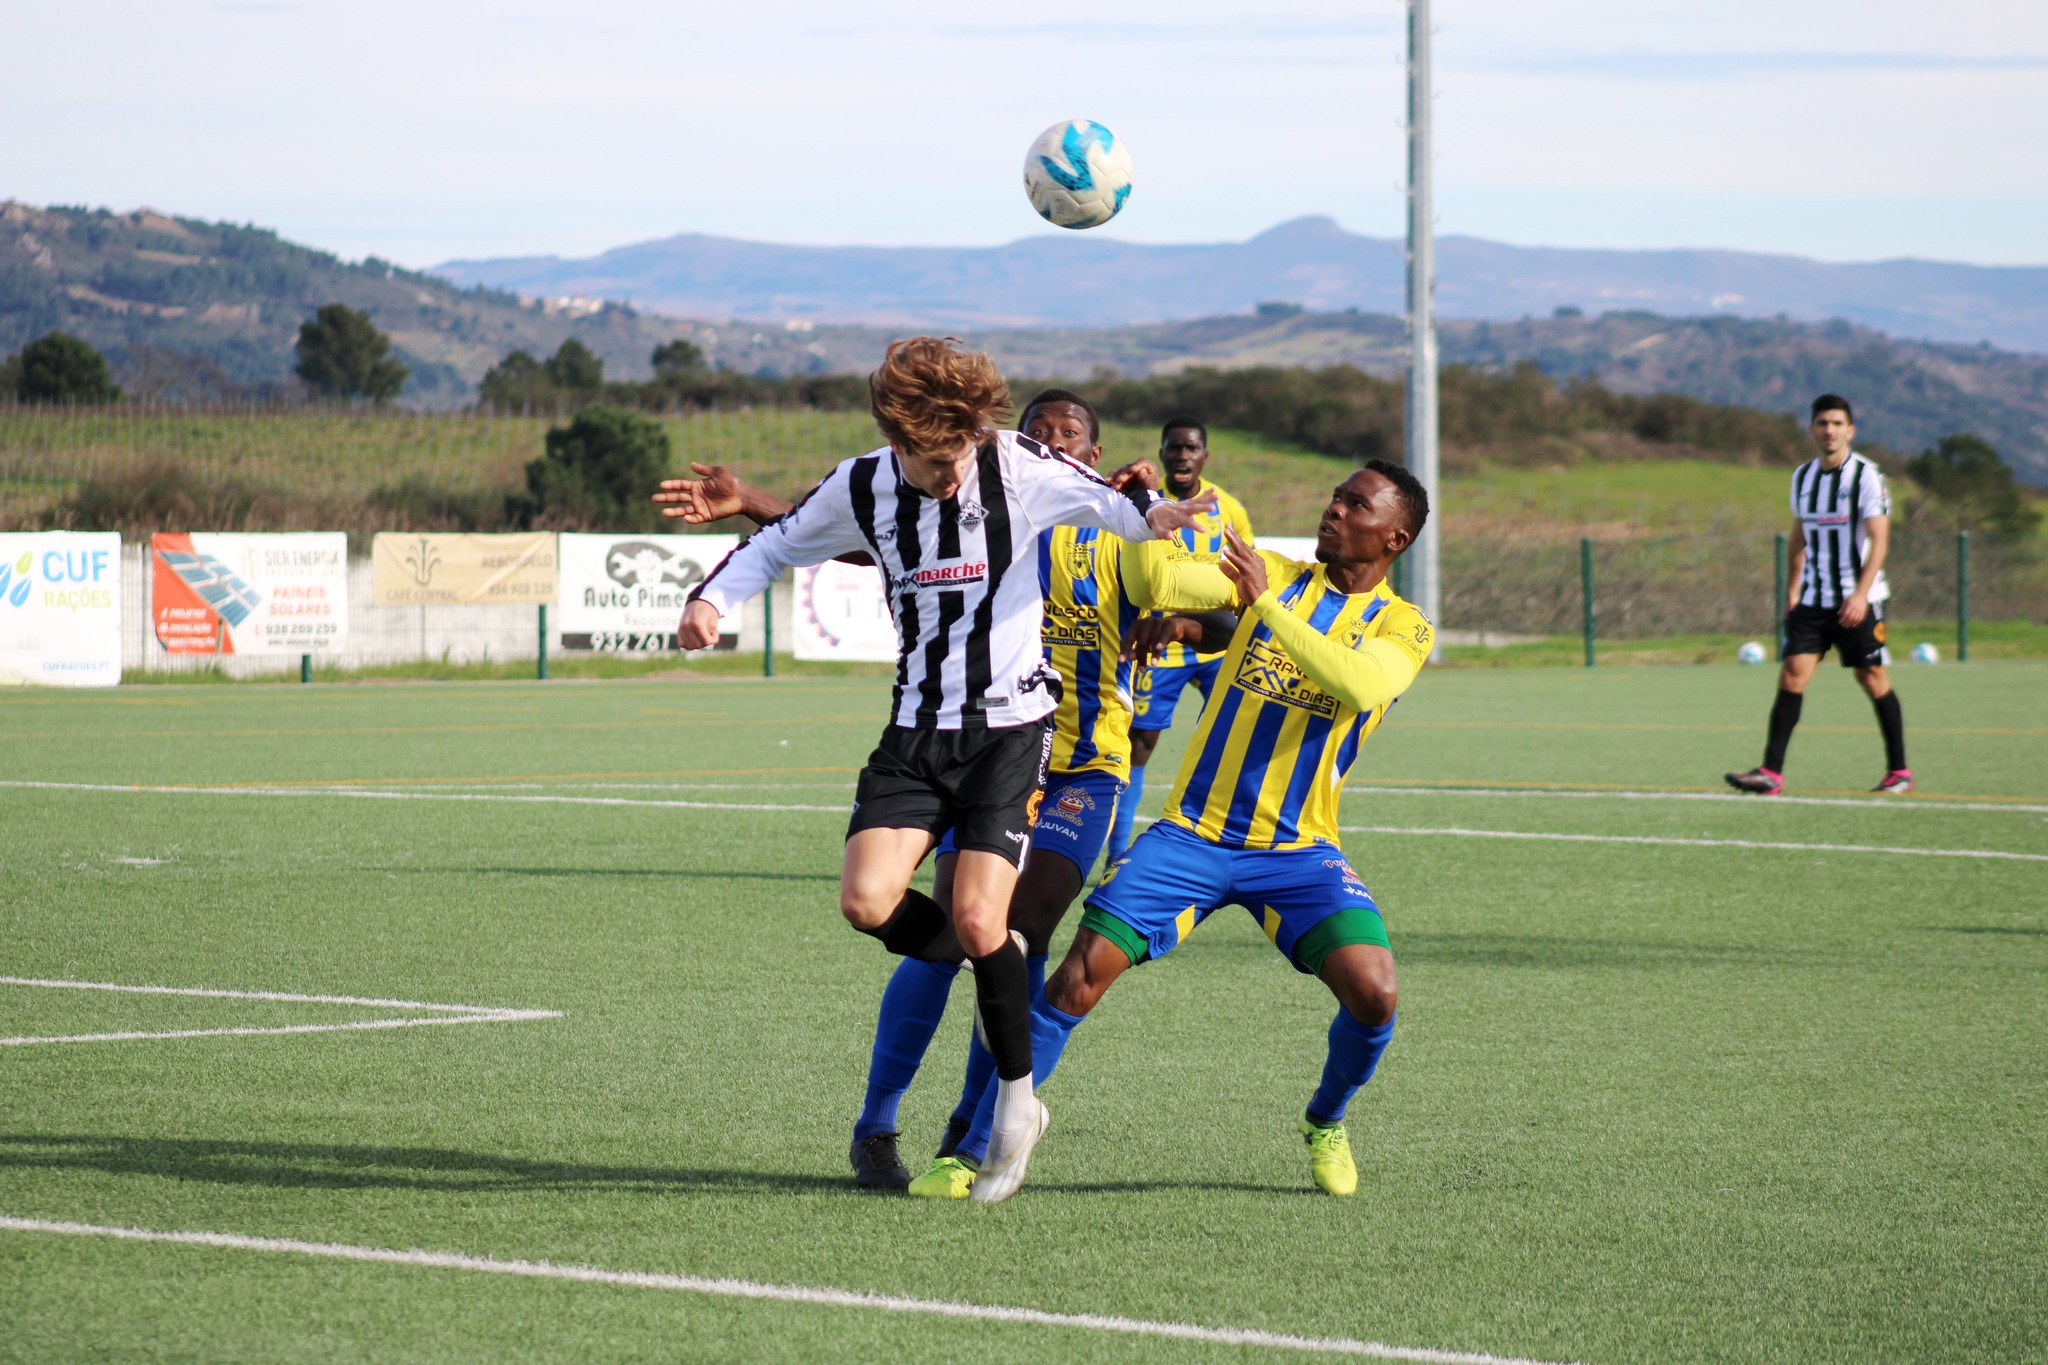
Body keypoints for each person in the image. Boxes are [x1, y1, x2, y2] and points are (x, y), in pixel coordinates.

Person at [658, 389, 1232, 1202]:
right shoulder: (972, 491)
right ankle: (877, 1122)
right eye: (1036, 430)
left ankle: (972, 1137)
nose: (1044, 441)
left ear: (1088, 460)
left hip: (1073, 765)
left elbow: (1207, 598)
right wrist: (748, 518)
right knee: (934, 930)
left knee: (1008, 927)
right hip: (943, 737)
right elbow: (881, 538)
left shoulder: (1102, 529)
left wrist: (1160, 542)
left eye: (1067, 436)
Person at [944, 460, 1434, 1198]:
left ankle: (1324, 1119)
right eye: (1334, 495)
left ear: (1394, 536)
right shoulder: (1269, 569)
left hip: (1298, 851)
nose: (1333, 508)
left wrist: (1265, 610)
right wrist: (1136, 512)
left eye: (1355, 504)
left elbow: (1360, 683)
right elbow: (1158, 586)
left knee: (1376, 992)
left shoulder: (1403, 623)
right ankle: (975, 1148)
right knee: (1077, 977)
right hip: (1190, 839)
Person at [1727, 394, 1909, 796]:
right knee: (1792, 674)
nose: (1829, 430)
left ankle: (1899, 771)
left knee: (1872, 677)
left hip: (1857, 599)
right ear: (1812, 430)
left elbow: (1880, 541)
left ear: (1850, 430)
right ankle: (1770, 773)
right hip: (1814, 599)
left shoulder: (1866, 476)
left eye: (1837, 423)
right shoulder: (1802, 477)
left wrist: (1861, 595)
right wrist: (1792, 591)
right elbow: (1799, 536)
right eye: (1822, 423)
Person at [1104, 415, 1255, 866]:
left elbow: (1248, 571)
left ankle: (1232, 839)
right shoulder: (1145, 504)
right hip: (1162, 644)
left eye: (1191, 448)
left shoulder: (1228, 508)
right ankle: (1117, 855)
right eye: (1175, 447)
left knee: (1236, 731)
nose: (1183, 455)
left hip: (1220, 642)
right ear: (1164, 451)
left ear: (1204, 456)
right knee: (1140, 746)